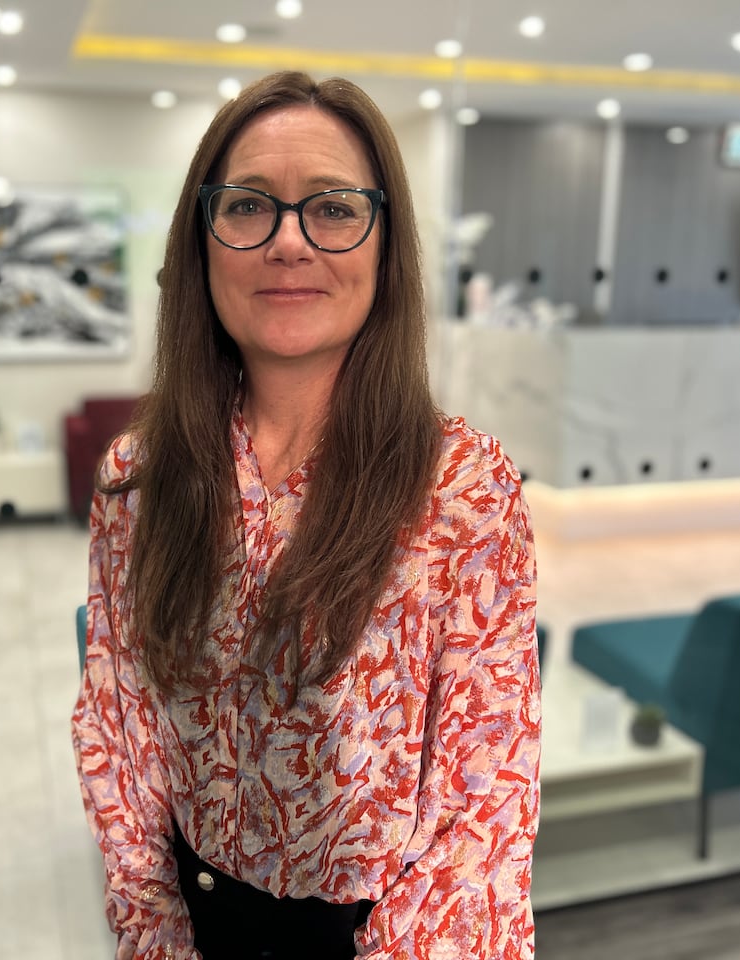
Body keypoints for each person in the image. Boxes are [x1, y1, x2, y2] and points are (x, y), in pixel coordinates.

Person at [72, 71, 539, 960]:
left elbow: (484, 803)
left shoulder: (463, 489)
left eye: (332, 208)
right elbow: (119, 726)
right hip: (189, 920)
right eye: (248, 206)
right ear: (202, 240)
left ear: (383, 245)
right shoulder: (140, 475)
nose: (289, 243)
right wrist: (158, 935)